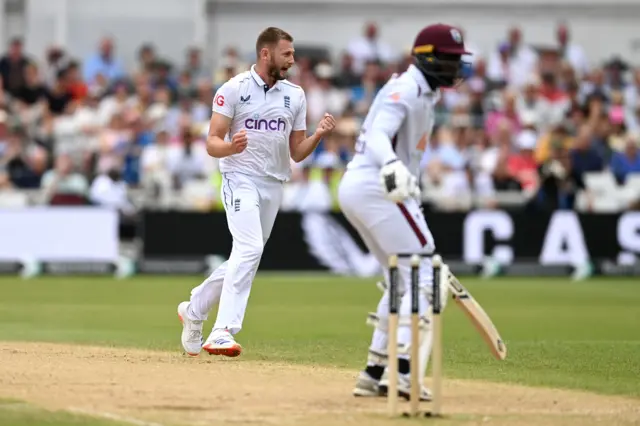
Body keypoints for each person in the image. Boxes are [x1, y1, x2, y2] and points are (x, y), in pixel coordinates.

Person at [177, 27, 336, 358]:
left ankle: (195, 308)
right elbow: (212, 141)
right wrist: (230, 148)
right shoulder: (233, 89)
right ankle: (223, 331)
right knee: (248, 248)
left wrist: (318, 135)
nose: (292, 60)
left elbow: (296, 152)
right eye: (287, 54)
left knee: (245, 257)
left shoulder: (295, 95)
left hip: (274, 183)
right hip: (239, 176)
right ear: (266, 54)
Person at [338, 23, 469, 400]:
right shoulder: (406, 87)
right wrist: (393, 166)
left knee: (399, 278)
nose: (454, 68)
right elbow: (379, 133)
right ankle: (404, 372)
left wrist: (403, 175)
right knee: (425, 276)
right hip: (377, 186)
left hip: (375, 188)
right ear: (427, 57)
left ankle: (375, 370)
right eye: (448, 60)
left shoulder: (426, 93)